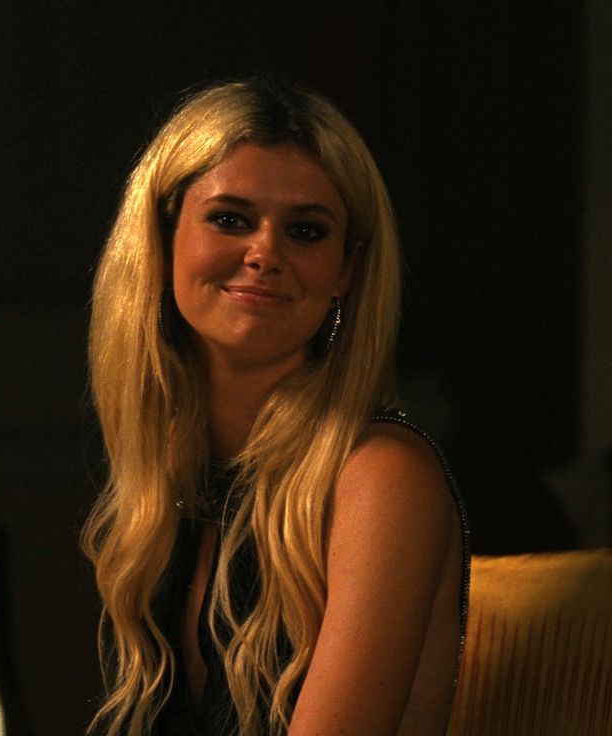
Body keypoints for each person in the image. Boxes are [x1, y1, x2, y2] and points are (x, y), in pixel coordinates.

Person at [81, 75, 470, 736]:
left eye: (306, 231)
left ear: (346, 270)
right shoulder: (173, 476)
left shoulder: (381, 477)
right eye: (230, 219)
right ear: (164, 234)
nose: (265, 252)